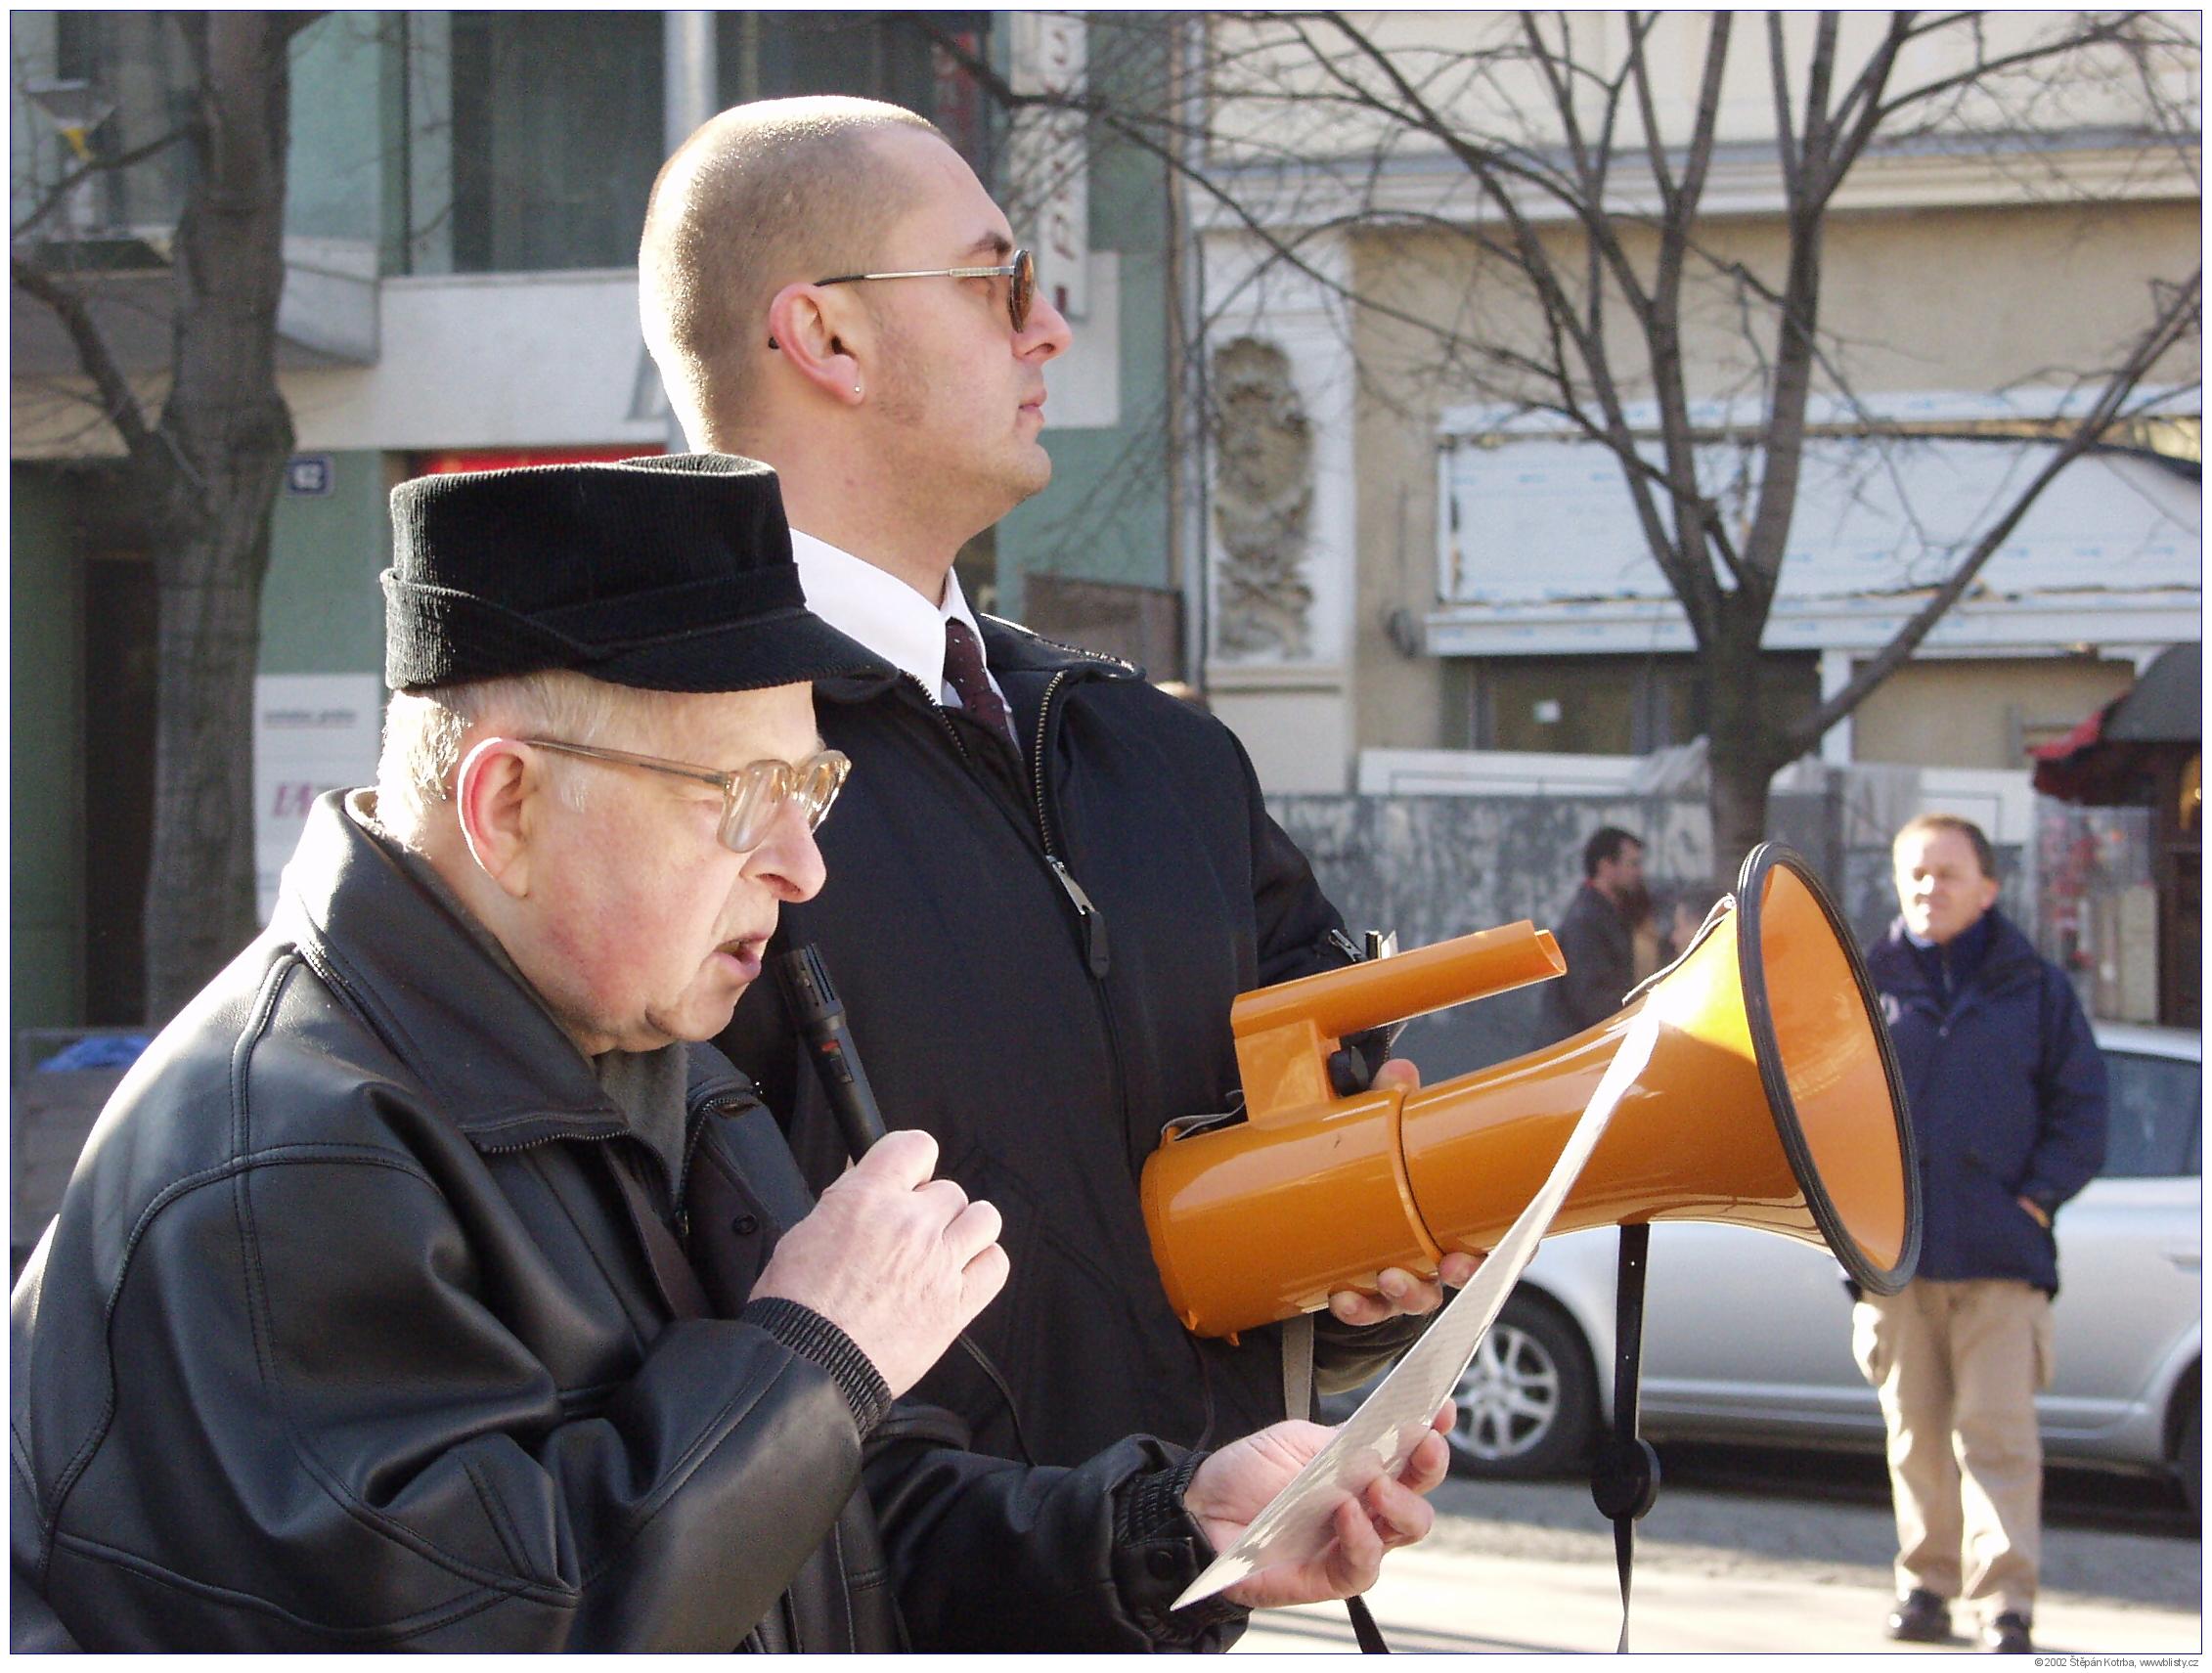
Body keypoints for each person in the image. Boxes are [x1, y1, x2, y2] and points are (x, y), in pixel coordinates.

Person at [7, 457, 1451, 1652]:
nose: (803, 864)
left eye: (813, 784)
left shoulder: (650, 1057)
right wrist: (812, 1357)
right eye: (747, 794)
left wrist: (1167, 1530)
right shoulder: (278, 1157)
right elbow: (488, 1627)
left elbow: (843, 1533)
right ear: (507, 806)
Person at [637, 97, 1473, 1472]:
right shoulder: (645, 783)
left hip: (1197, 1575)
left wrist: (1356, 1295)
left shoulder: (1159, 756)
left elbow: (1265, 1247)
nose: (1049, 329)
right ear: (827, 337)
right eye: (997, 280)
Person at [1856, 814, 2107, 1655]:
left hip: (2001, 1262)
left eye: (1948, 872)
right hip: (1897, 1262)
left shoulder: (2034, 988)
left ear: (1988, 888)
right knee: (1915, 1439)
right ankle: (1925, 1588)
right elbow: (1826, 1109)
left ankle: (2006, 1603)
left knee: (1997, 1436)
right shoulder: (1863, 983)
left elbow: (2083, 1111)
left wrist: (2034, 1198)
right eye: (1916, 873)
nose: (1929, 887)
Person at [1535, 826, 1648, 1043]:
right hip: (1578, 1049)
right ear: (1605, 866)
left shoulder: (1613, 913)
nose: (1638, 872)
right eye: (1632, 864)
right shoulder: (1585, 921)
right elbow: (1591, 999)